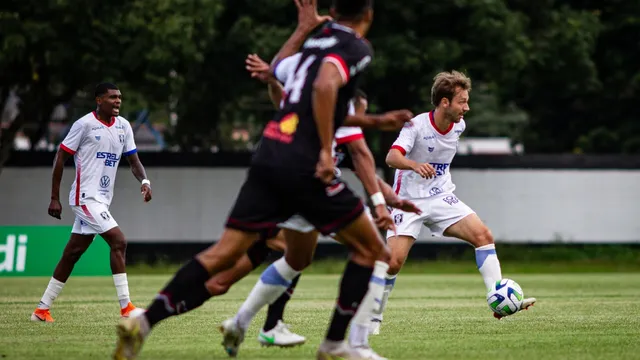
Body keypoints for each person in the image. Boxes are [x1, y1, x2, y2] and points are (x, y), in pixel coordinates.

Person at [113, 1, 385, 359]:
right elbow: (324, 89)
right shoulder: (355, 48)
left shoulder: (312, 46)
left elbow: (275, 74)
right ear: (369, 15)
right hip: (304, 168)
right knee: (371, 250)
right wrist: (324, 151)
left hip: (270, 156)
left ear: (332, 12)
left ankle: (144, 322)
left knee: (225, 256)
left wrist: (303, 29)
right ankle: (333, 344)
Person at [373, 70, 537, 334]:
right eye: (462, 101)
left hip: (440, 196)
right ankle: (372, 318)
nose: (467, 107)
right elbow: (392, 157)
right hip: (408, 201)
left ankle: (497, 301)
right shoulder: (415, 125)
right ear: (444, 102)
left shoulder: (459, 125)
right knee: (393, 262)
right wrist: (414, 165)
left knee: (483, 235)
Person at [31, 83, 152, 323]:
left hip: (102, 201)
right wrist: (54, 197)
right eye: (112, 97)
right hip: (84, 198)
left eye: (119, 97)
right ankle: (126, 307)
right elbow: (60, 157)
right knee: (119, 241)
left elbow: (134, 160)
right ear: (99, 100)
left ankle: (41, 310)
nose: (117, 101)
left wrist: (145, 181)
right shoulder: (84, 124)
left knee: (72, 254)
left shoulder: (124, 126)